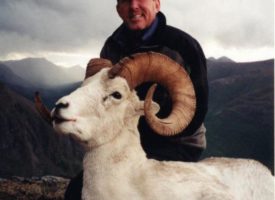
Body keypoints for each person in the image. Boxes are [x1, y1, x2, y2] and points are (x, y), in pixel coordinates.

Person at [65, 0, 208, 199]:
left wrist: (153, 130)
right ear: (118, 9)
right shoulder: (112, 46)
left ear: (157, 4)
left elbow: (196, 112)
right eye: (125, 0)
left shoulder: (183, 46)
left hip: (176, 143)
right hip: (128, 141)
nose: (133, 6)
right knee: (77, 192)